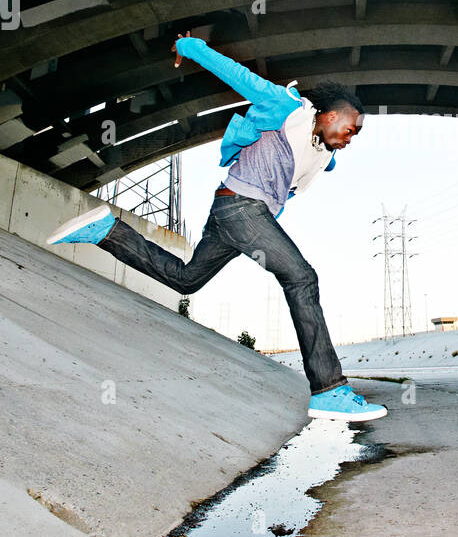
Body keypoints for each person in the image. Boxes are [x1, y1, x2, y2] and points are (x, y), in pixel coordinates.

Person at [44, 31, 386, 422]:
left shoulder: (324, 157)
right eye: (350, 128)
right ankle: (328, 389)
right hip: (241, 208)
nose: (350, 138)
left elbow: (287, 185)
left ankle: (107, 231)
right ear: (329, 115)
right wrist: (192, 48)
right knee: (302, 278)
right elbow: (238, 76)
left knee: (186, 280)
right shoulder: (288, 109)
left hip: (231, 213)